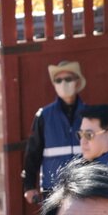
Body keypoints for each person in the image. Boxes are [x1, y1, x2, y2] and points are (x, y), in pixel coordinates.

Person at [22, 59, 87, 201]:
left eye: (68, 79)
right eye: (58, 80)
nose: (63, 84)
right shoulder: (43, 116)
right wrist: (29, 186)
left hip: (85, 187)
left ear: (77, 81)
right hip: (53, 190)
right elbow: (33, 153)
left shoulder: (89, 114)